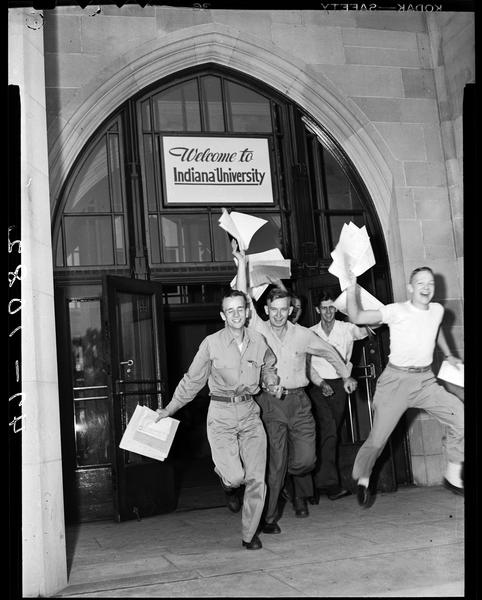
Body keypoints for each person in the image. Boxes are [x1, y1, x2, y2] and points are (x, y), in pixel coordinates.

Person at [233, 243, 357, 533]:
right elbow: (241, 298)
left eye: (283, 310)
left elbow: (329, 352)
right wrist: (241, 264)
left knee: (306, 461)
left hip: (300, 402)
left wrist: (346, 375)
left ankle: (287, 468)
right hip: (272, 403)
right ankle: (268, 517)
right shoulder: (258, 329)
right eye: (273, 310)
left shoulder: (303, 335)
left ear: (291, 310)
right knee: (276, 466)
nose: (278, 315)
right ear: (265, 310)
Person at [155, 289, 281, 550]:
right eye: (230, 310)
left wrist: (271, 383)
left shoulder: (258, 340)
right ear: (223, 315)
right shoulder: (211, 344)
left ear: (247, 312)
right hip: (221, 414)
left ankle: (249, 534)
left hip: (249, 413)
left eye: (240, 309)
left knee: (257, 478)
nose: (236, 314)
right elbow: (193, 380)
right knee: (236, 477)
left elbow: (269, 365)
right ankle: (227, 484)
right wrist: (169, 409)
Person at [346, 267, 464, 508]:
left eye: (430, 283)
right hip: (395, 383)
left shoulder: (437, 310)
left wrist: (449, 354)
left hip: (425, 382)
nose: (426, 287)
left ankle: (453, 473)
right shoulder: (396, 311)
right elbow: (357, 316)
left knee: (460, 417)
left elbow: (436, 327)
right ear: (410, 288)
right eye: (420, 283)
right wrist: (350, 288)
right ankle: (364, 476)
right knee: (378, 440)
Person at [308, 290, 369, 501]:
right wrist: (321, 383)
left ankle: (317, 483)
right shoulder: (310, 332)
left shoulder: (347, 328)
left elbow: (369, 329)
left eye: (332, 307)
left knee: (329, 433)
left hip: (340, 385)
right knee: (327, 431)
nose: (328, 312)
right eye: (324, 308)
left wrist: (361, 311)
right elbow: (306, 364)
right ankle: (327, 484)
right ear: (317, 310)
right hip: (317, 385)